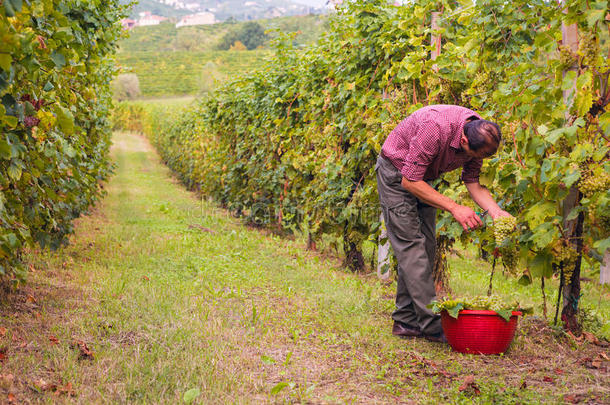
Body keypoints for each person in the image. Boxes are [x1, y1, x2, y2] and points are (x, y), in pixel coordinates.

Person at [375, 104, 512, 343]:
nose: (473, 161)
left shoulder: (480, 135)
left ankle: (406, 321)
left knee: (426, 248)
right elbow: (409, 181)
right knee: (412, 248)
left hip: (424, 178)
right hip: (397, 175)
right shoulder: (435, 127)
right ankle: (433, 326)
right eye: (472, 156)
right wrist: (454, 206)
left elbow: (472, 181)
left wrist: (496, 211)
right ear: (463, 140)